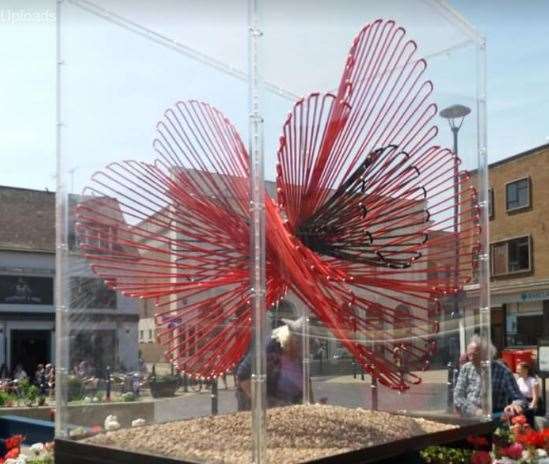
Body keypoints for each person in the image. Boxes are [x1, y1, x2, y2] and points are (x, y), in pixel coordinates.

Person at [235, 318, 308, 411]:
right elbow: (243, 374)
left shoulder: (298, 356)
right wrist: (264, 404)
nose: (301, 351)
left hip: (287, 404)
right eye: (299, 345)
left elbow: (305, 381)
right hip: (259, 404)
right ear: (292, 340)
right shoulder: (270, 347)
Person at [454, 335, 527, 420]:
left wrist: (515, 405)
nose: (471, 358)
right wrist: (475, 410)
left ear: (487, 354)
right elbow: (458, 396)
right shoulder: (466, 368)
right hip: (469, 419)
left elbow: (519, 398)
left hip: (494, 419)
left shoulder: (503, 371)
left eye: (475, 354)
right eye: (469, 355)